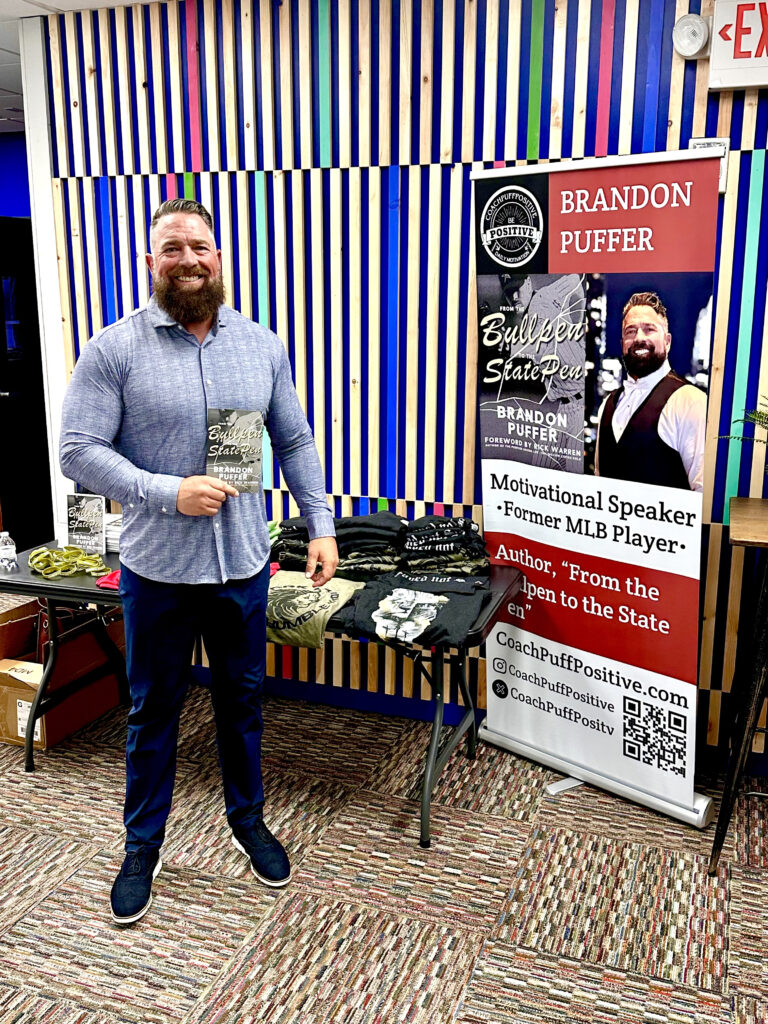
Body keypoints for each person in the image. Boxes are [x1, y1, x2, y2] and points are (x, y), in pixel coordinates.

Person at [60, 198, 338, 926]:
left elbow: (294, 439)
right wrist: (164, 492)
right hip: (157, 575)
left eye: (201, 247)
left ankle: (248, 822)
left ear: (220, 258)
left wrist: (321, 525)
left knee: (241, 704)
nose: (188, 259)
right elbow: (77, 450)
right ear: (151, 262)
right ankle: (141, 847)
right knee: (152, 712)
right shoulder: (114, 349)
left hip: (243, 567)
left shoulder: (260, 345)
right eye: (172, 248)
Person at [596, 291, 706, 491]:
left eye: (649, 330)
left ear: (667, 341)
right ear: (622, 344)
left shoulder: (690, 401)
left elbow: (704, 493)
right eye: (630, 331)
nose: (639, 338)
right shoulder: (607, 405)